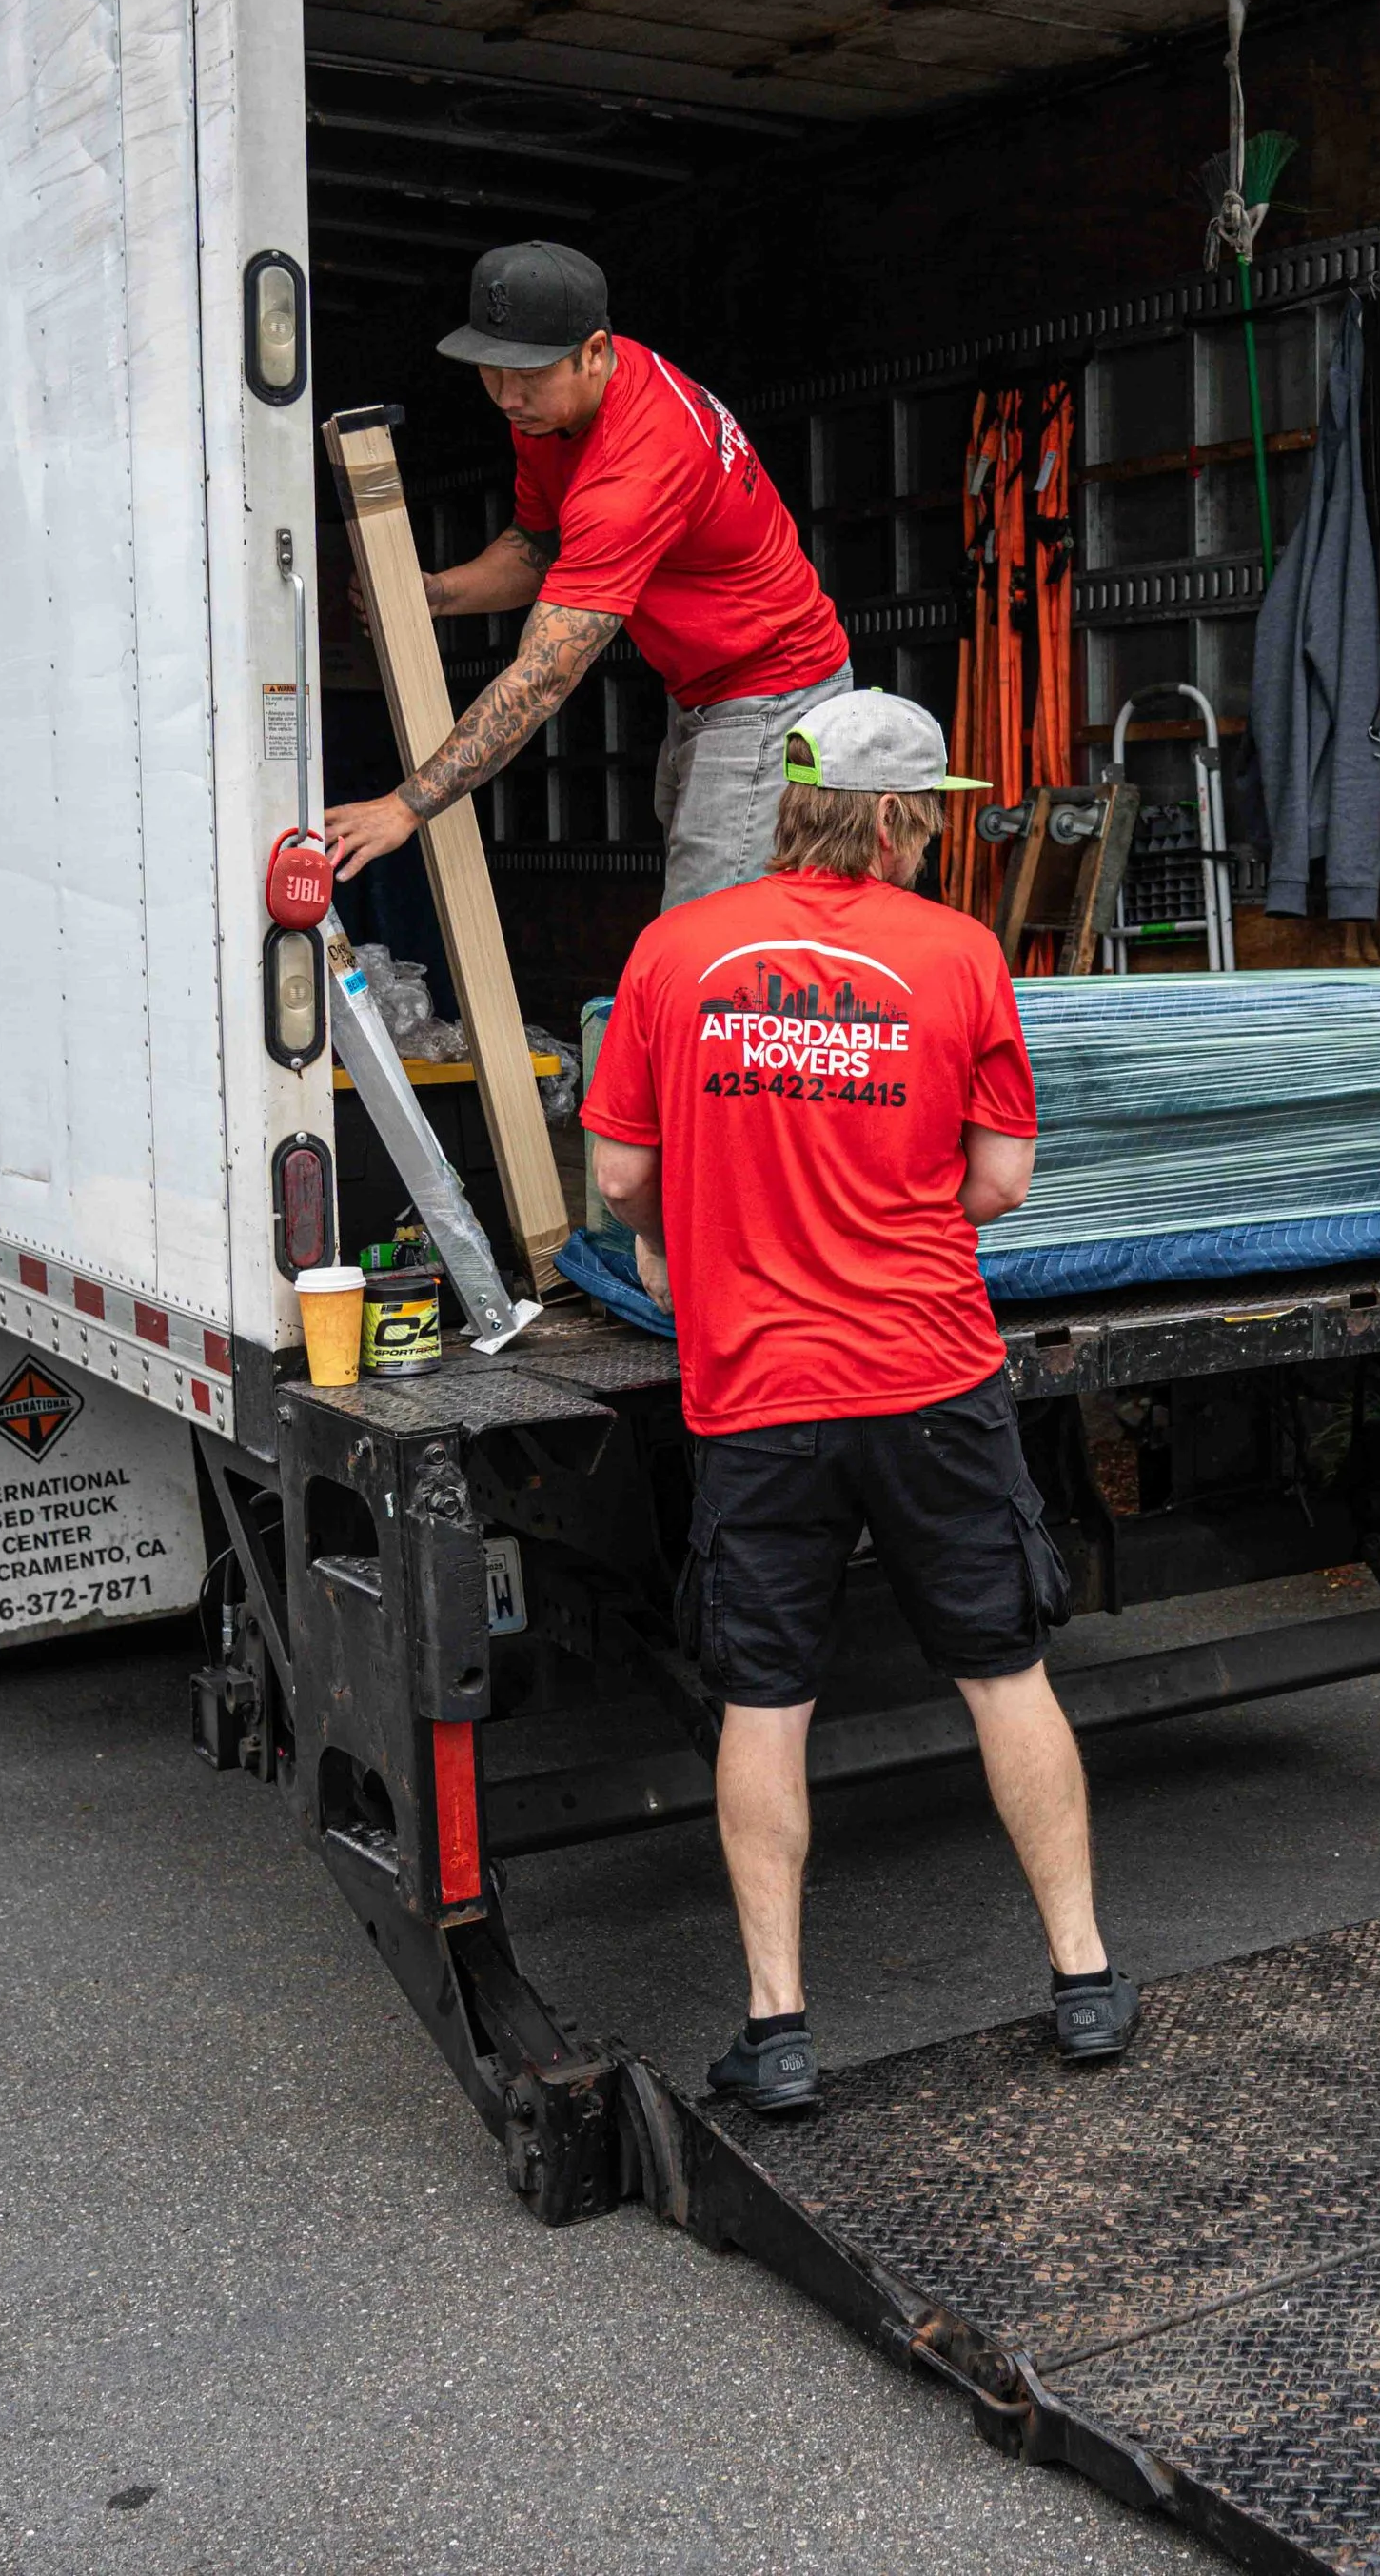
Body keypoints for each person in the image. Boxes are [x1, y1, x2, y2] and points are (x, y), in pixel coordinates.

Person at [582, 688, 1138, 2109]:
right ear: (890, 816)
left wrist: (718, 1210)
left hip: (760, 1391)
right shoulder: (957, 956)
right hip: (930, 1374)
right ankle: (1081, 1978)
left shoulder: (674, 952)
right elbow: (1002, 1181)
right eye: (926, 820)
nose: (929, 843)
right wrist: (888, 1200)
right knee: (1004, 1670)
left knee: (765, 1701)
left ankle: (777, 2030)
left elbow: (620, 1184)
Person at [325, 241, 850, 906]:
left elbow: (542, 678)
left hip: (772, 688)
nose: (508, 396)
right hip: (699, 687)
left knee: (706, 926)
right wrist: (439, 594)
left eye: (529, 376)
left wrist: (405, 807)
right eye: (492, 369)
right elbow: (539, 546)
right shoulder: (550, 409)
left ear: (595, 351)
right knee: (721, 909)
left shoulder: (637, 470)